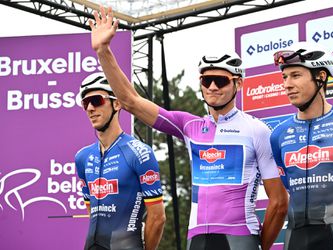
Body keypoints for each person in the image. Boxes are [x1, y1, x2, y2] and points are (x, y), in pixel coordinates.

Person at [87, 6, 288, 250]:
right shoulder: (190, 126)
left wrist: (259, 247)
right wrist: (103, 51)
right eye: (206, 80)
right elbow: (130, 102)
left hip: (240, 238)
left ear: (239, 84)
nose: (212, 86)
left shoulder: (257, 130)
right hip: (197, 239)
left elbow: (278, 203)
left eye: (221, 80)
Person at [270, 41, 333, 250]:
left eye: (296, 75)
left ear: (321, 76)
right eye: (284, 77)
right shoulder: (278, 135)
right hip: (295, 239)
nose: (286, 84)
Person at [75, 72, 166, 250]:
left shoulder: (139, 153)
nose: (90, 108)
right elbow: (92, 212)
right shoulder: (82, 157)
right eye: (85, 103)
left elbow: (157, 217)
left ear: (117, 103)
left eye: (97, 100)